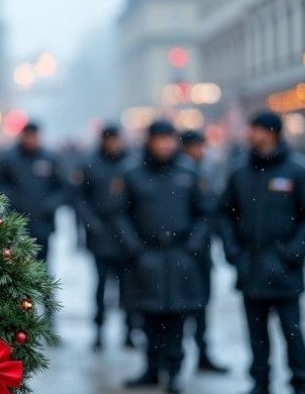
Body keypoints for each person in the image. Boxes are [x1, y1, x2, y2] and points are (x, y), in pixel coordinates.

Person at [218, 112, 305, 394]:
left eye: (256, 130)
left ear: (271, 133)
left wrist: (293, 252)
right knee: (256, 333)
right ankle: (260, 381)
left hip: (283, 268)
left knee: (292, 330)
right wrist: (233, 251)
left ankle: (300, 381)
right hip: (250, 265)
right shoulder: (239, 171)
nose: (250, 135)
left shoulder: (298, 170)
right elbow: (223, 214)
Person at [115, 121, 209, 394]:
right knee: (149, 317)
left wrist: (193, 246)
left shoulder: (189, 172)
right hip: (147, 254)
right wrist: (135, 249)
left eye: (169, 139)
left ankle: (174, 371)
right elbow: (120, 214)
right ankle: (151, 369)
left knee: (178, 318)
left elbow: (205, 212)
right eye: (160, 139)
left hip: (180, 254)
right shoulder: (132, 173)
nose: (165, 145)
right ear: (150, 141)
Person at [72, 124, 136, 350]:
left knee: (128, 287)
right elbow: (80, 199)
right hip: (101, 236)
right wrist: (92, 224)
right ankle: (99, 331)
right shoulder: (91, 165)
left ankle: (130, 330)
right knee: (100, 285)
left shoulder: (131, 164)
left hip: (126, 237)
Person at [178, 130, 228, 374]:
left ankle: (202, 352)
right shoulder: (182, 173)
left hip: (200, 252)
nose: (201, 151)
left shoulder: (203, 171)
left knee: (201, 303)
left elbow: (211, 211)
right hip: (181, 252)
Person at [0, 122, 69, 263]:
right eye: (27, 136)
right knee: (16, 262)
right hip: (16, 221)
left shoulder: (50, 158)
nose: (30, 140)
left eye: (33, 136)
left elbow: (63, 188)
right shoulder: (9, 159)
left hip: (43, 222)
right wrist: (13, 201)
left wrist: (49, 205)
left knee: (42, 263)